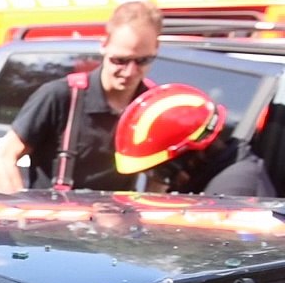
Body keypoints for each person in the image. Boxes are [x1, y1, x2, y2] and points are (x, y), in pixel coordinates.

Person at [0, 1, 163, 193]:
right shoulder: (60, 96)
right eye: (120, 60)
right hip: (53, 218)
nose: (130, 71)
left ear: (156, 48)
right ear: (104, 45)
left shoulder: (153, 106)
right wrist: (20, 212)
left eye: (143, 60)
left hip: (117, 220)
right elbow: (3, 159)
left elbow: (159, 180)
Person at [113, 82, 278, 199]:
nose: (152, 181)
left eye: (157, 172)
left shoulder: (231, 193)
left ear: (190, 156)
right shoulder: (216, 173)